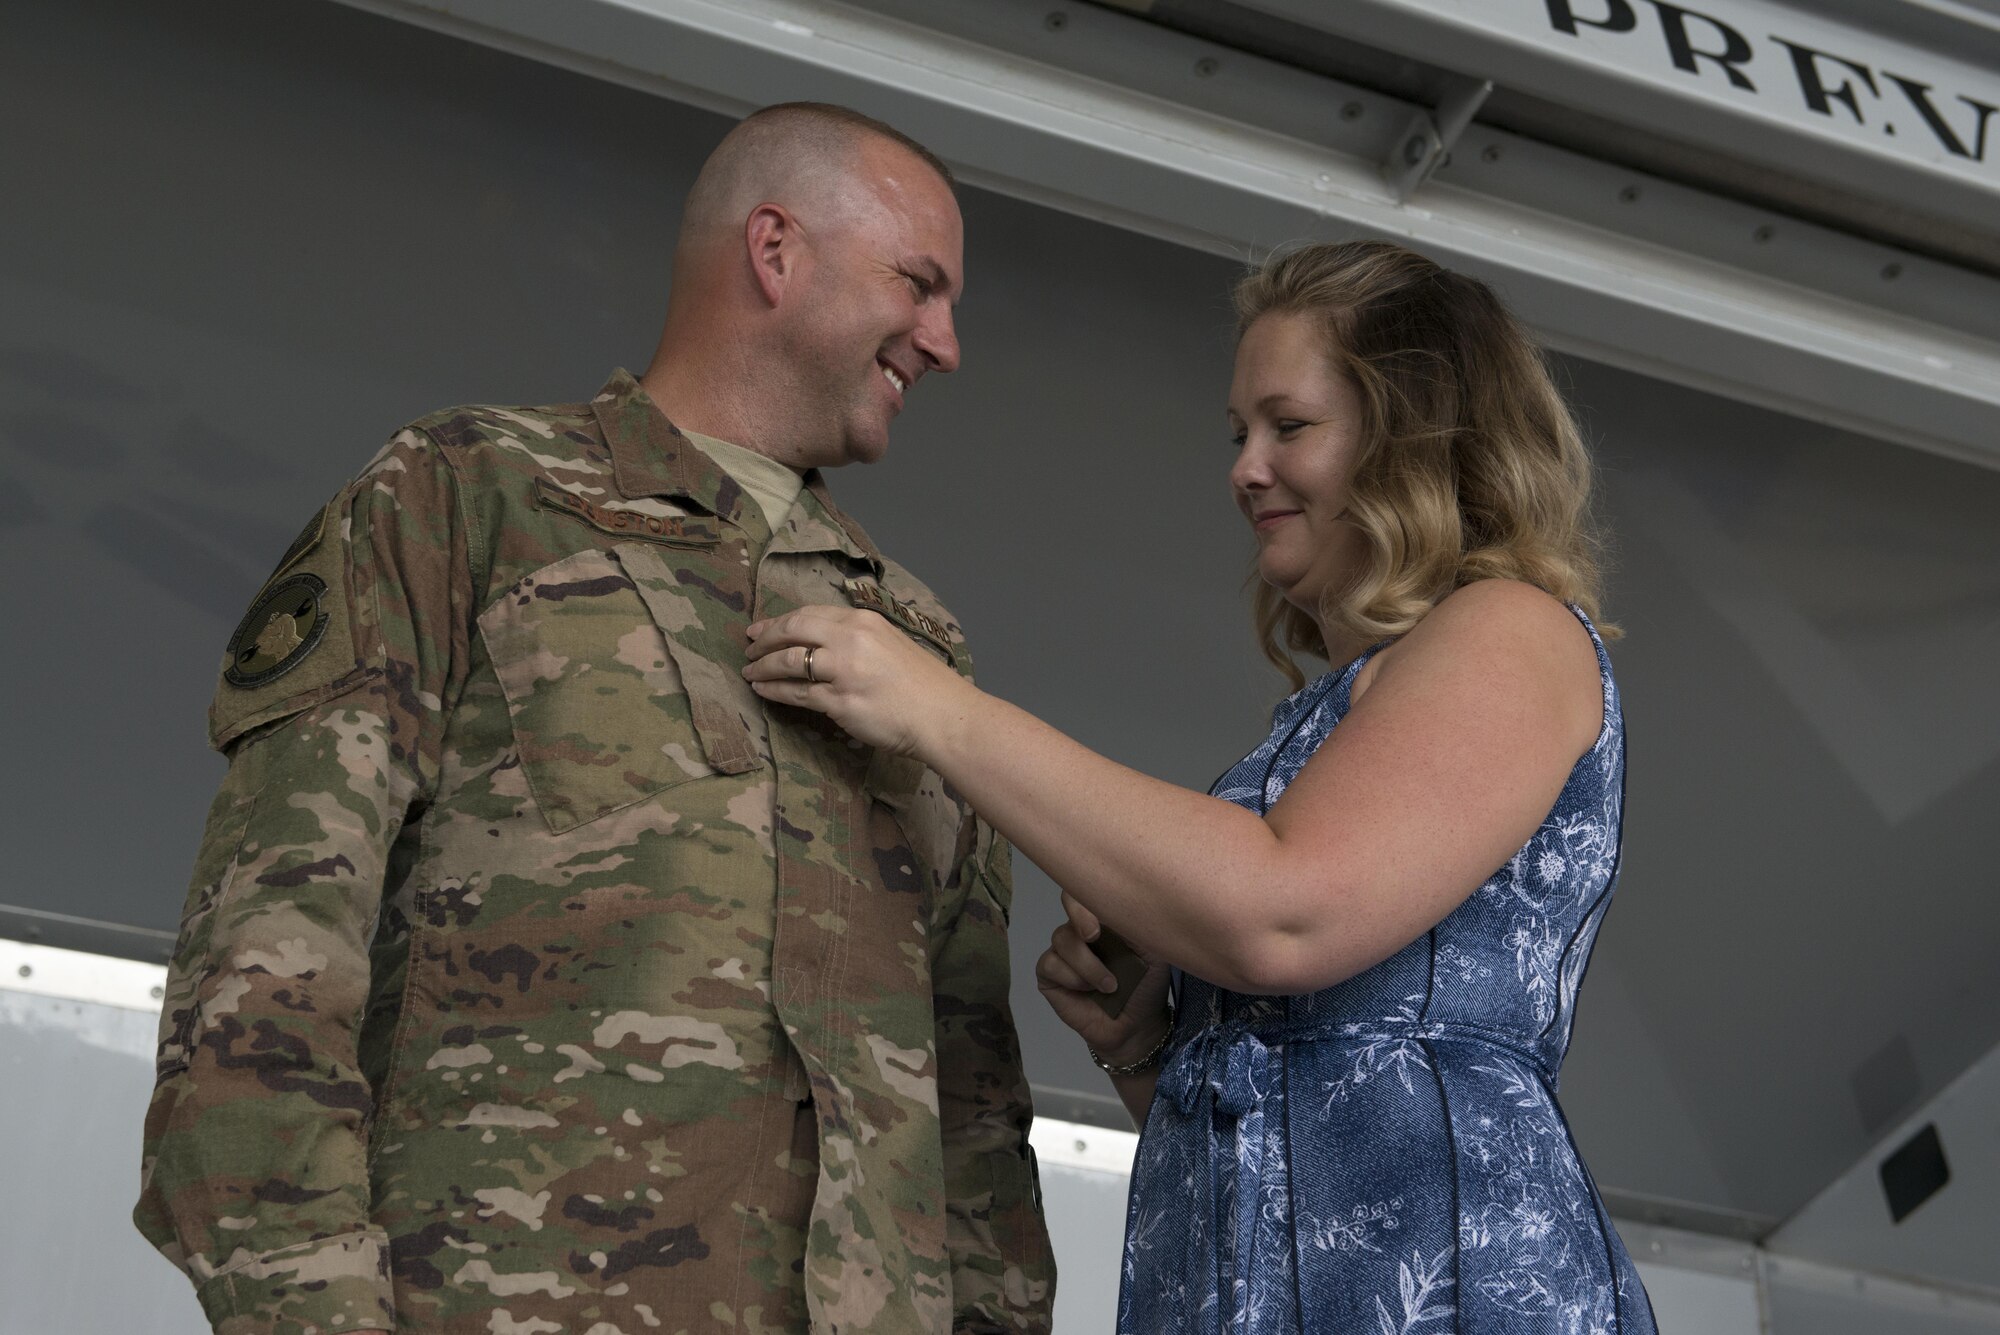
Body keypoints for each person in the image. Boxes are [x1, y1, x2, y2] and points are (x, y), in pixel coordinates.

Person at [135, 103, 1055, 1335]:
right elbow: (262, 968)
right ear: (775, 251)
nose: (944, 343)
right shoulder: (468, 499)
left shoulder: (923, 654)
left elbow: (974, 1123)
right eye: (919, 284)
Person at [744, 240, 1659, 1333]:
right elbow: (1294, 1112)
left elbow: (1281, 910)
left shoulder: (1506, 630)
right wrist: (1147, 1047)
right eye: (1239, 435)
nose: (1244, 469)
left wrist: (932, 709)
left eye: (1290, 425)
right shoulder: (1334, 711)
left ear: (1412, 431)